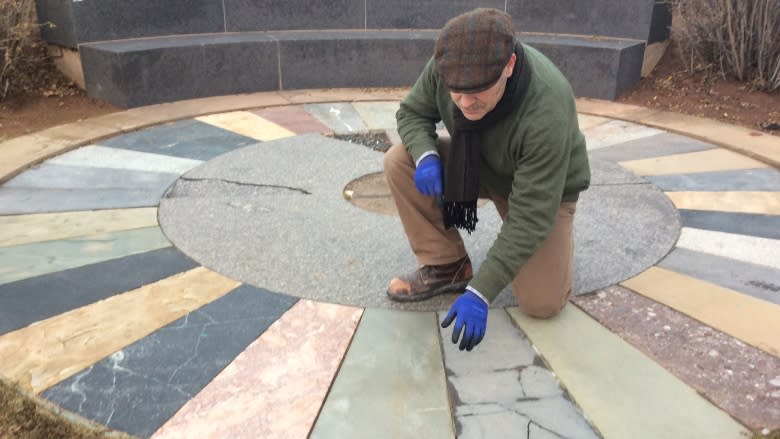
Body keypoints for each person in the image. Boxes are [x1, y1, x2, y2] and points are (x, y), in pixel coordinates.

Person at [384, 8, 591, 352]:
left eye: (477, 92)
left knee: (542, 303)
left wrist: (481, 292)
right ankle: (448, 265)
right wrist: (426, 156)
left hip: (544, 191)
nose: (464, 103)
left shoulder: (546, 106)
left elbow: (530, 216)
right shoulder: (446, 67)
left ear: (509, 66)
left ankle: (558, 244)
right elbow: (412, 112)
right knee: (399, 161)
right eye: (457, 92)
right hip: (479, 164)